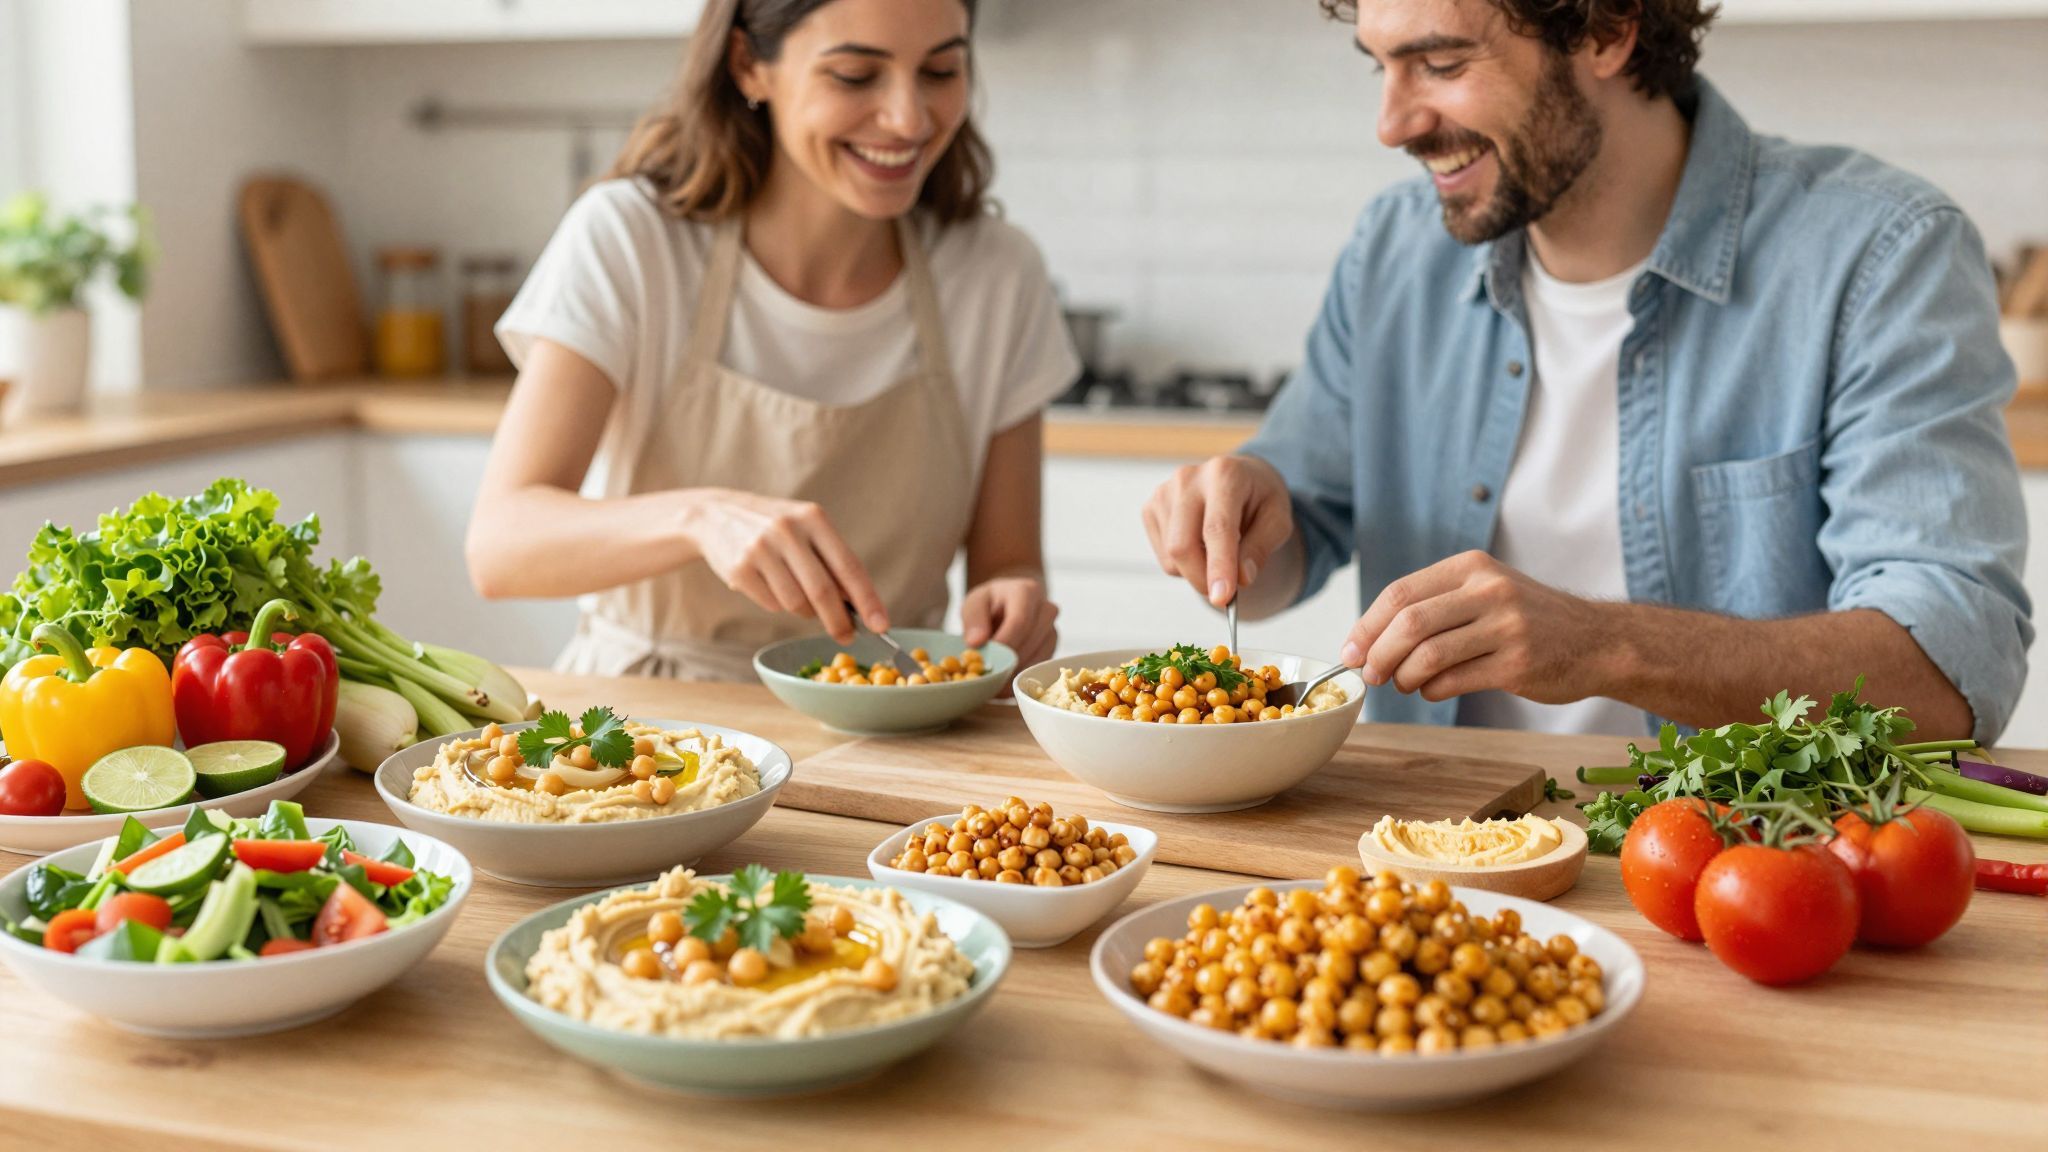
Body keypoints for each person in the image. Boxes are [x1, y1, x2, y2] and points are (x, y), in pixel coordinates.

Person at [1143, 0, 2031, 742]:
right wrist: (1247, 511)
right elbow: (1298, 536)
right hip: (1427, 866)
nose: (1392, 123)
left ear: (1607, 29)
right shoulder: (1394, 250)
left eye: (1442, 64)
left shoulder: (1877, 253)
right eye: (1378, 65)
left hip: (1737, 880)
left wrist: (1605, 646)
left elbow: (1947, 669)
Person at [466, 0, 1075, 681]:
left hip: (892, 716)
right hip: (651, 722)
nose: (909, 118)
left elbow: (1010, 561)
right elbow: (500, 546)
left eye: (941, 69)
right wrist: (699, 517)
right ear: (749, 65)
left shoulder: (997, 274)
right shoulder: (630, 239)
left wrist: (1012, 603)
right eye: (854, 75)